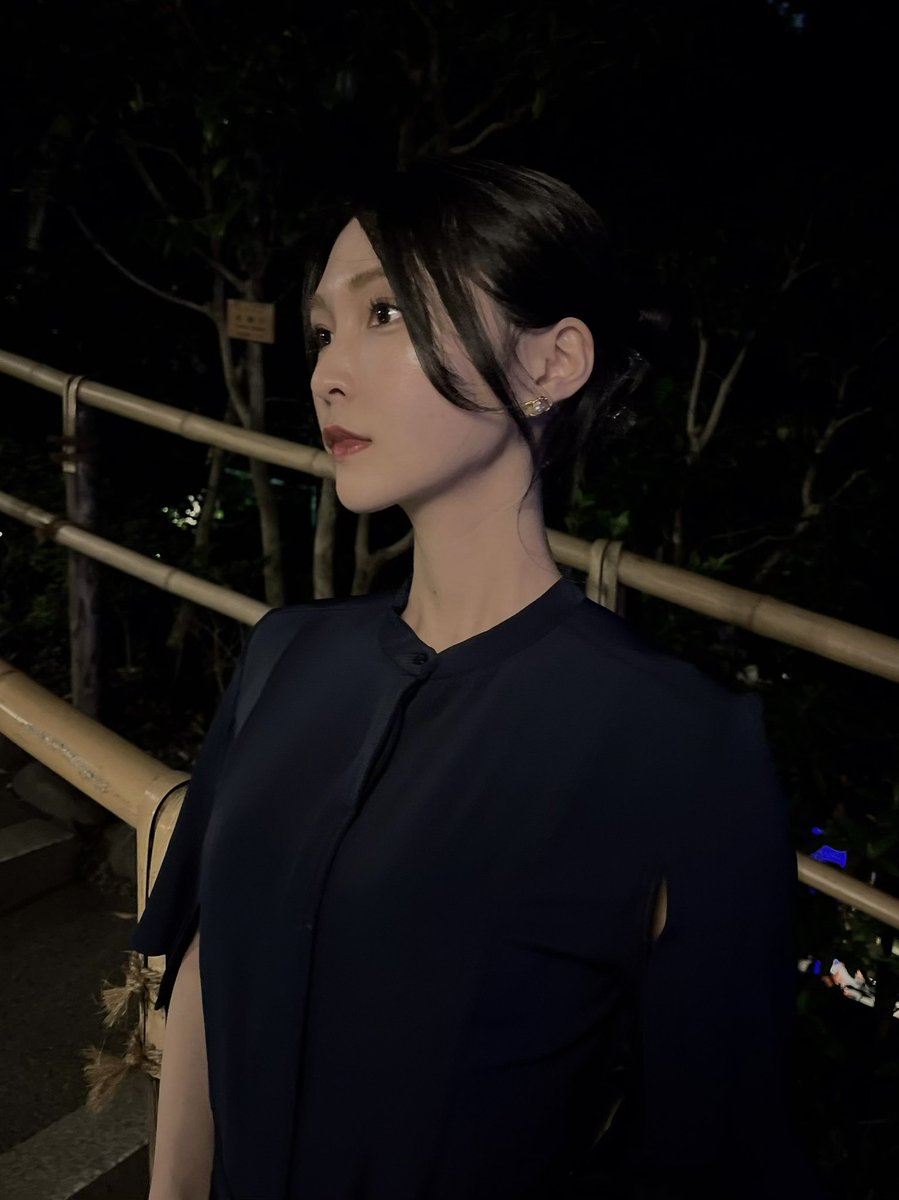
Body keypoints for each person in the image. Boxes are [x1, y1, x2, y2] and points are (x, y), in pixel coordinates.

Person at [132, 157, 814, 1199]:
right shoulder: (284, 655)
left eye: (386, 314)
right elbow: (204, 967)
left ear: (552, 362)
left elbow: (714, 1147)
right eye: (321, 331)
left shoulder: (680, 744)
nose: (326, 373)